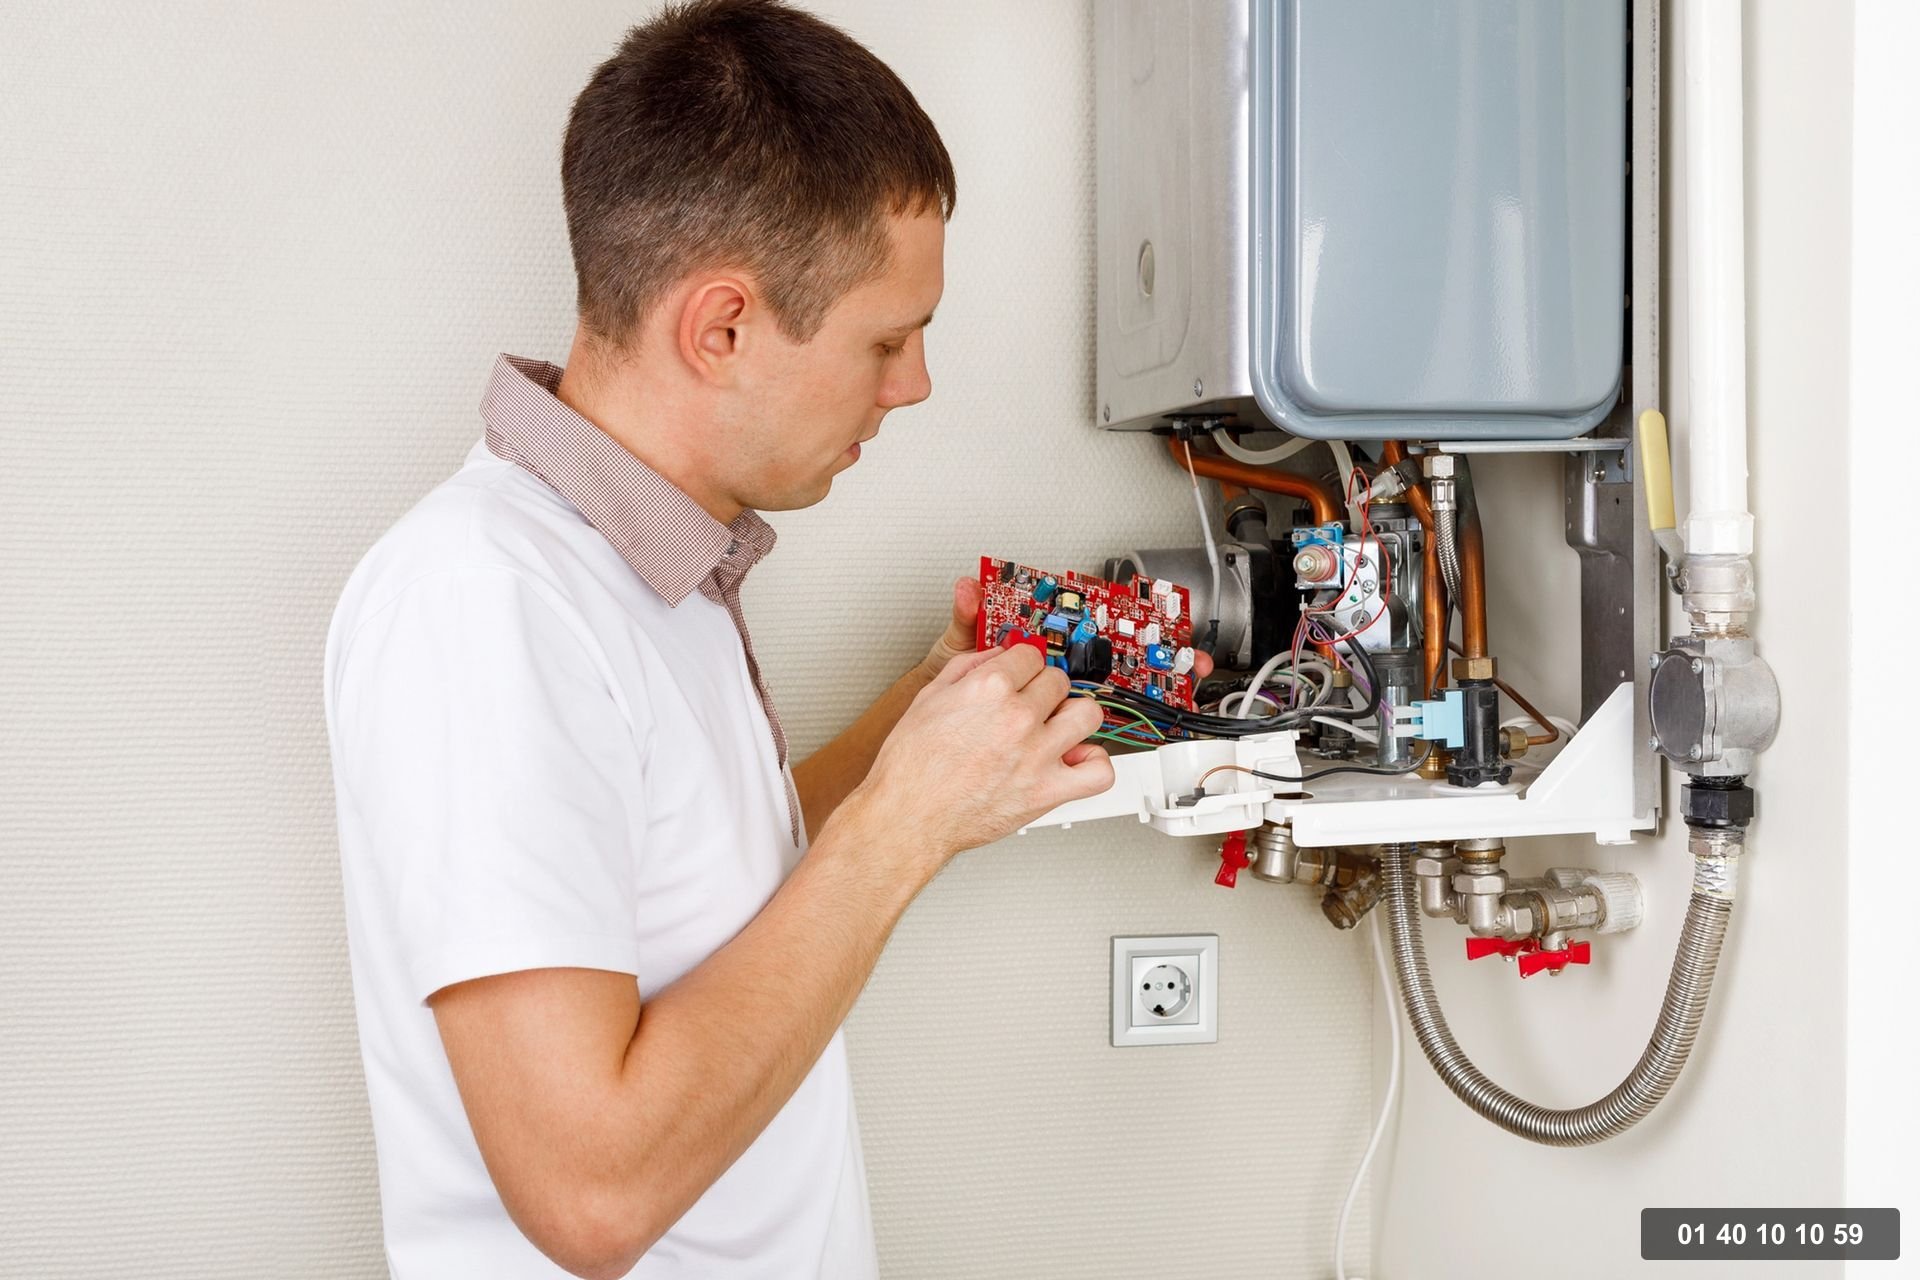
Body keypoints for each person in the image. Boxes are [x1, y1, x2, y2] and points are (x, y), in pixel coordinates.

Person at [323, 3, 1207, 1276]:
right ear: (721, 327)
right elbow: (589, 1191)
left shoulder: (654, 570)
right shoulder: (484, 601)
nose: (913, 383)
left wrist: (923, 714)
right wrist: (907, 823)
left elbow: (695, 891)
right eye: (886, 339)